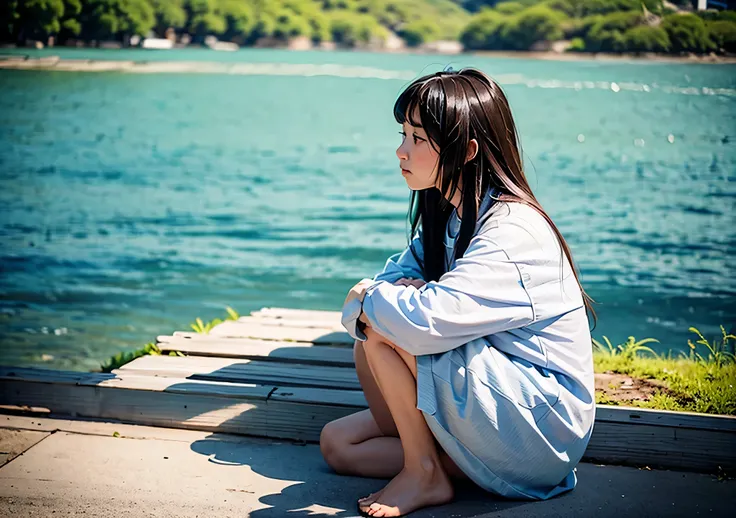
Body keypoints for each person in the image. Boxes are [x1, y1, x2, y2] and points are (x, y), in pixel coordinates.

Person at [319, 67, 596, 518]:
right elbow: (387, 295)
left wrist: (370, 301)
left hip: (540, 430)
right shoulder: (450, 219)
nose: (401, 150)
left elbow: (422, 324)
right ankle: (435, 462)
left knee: (386, 331)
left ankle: (424, 473)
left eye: (418, 138)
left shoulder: (513, 230)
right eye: (403, 133)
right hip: (494, 413)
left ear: (467, 150)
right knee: (339, 445)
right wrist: (380, 304)